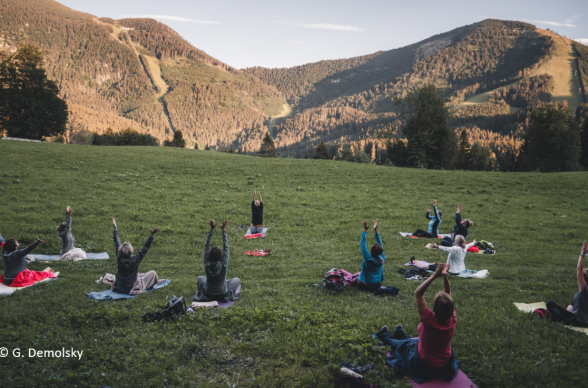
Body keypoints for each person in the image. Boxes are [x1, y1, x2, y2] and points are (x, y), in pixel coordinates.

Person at [375, 263, 459, 383]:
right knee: (413, 342)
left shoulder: (429, 320)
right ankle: (400, 333)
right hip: (444, 363)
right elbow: (448, 294)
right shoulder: (452, 319)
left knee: (404, 346)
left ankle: (385, 336)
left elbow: (418, 293)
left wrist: (435, 275)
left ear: (433, 307)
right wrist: (444, 276)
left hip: (425, 364)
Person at [194, 219, 240, 302]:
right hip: (223, 294)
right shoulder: (223, 263)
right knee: (236, 280)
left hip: (209, 293)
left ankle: (206, 294)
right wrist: (224, 230)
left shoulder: (207, 263)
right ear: (220, 257)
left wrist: (211, 229)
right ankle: (225, 290)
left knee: (200, 278)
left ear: (209, 256)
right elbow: (226, 247)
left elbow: (206, 246)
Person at [111, 218, 161, 295]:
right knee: (152, 273)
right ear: (131, 251)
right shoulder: (135, 259)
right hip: (130, 289)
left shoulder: (119, 257)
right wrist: (152, 235)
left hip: (119, 288)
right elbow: (145, 248)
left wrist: (115, 229)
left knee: (138, 275)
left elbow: (116, 243)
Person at [546, 242, 588, 327]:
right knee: (571, 307)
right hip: (583, 321)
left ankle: (558, 318)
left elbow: (579, 271)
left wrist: (582, 253)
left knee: (550, 304)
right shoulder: (583, 290)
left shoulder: (584, 288)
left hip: (577, 321)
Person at [357, 219, 386, 291]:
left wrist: (365, 230)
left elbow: (363, 245)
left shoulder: (368, 259)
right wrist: (375, 230)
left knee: (354, 279)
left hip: (365, 285)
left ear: (372, 250)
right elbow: (380, 244)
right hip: (378, 285)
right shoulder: (382, 258)